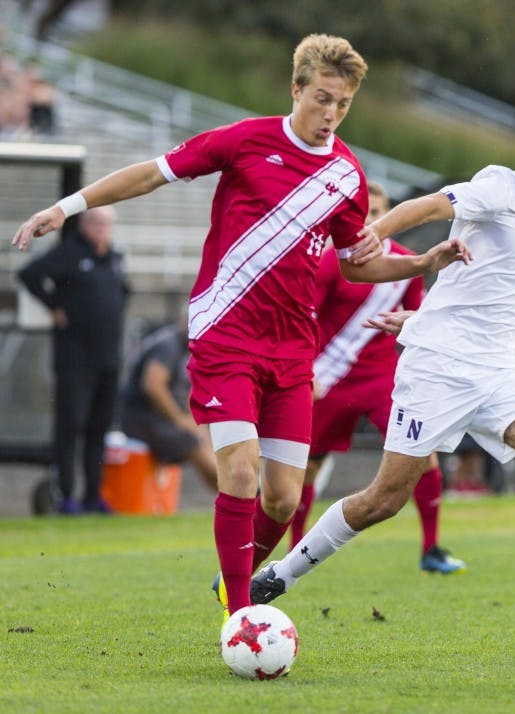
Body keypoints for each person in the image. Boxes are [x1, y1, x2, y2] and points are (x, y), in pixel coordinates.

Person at [12, 33, 469, 618]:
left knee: (282, 498)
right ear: (296, 88)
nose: (331, 114)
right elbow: (152, 175)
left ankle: (236, 576)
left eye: (343, 104)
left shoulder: (348, 178)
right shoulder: (245, 140)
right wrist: (66, 207)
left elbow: (358, 264)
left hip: (292, 351)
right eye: (322, 98)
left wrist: (421, 262)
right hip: (225, 337)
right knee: (240, 470)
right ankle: (238, 616)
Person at [250, 107, 515, 641]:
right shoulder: (497, 188)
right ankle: (277, 576)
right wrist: (375, 231)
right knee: (383, 501)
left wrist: (422, 316)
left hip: (500, 371)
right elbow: (430, 205)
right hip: (438, 370)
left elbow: (490, 292)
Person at [289, 181, 465, 574]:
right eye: (366, 214)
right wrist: (304, 372)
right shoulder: (333, 261)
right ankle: (293, 549)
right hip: (330, 380)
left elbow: (419, 318)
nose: (372, 221)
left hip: (382, 379)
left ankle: (431, 548)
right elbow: (306, 318)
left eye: (379, 213)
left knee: (422, 455)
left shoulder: (408, 263)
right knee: (304, 468)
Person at [18, 206, 129, 514]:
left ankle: (93, 494)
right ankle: (66, 495)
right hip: (75, 360)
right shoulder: (69, 253)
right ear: (84, 225)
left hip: (108, 359)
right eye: (95, 223)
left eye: (106, 223)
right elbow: (29, 274)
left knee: (99, 428)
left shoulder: (114, 259)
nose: (100, 229)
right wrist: (54, 305)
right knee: (71, 427)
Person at [118, 319, 217, 490]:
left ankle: (232, 497)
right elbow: (153, 386)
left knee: (201, 436)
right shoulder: (168, 345)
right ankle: (239, 495)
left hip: (156, 417)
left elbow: (184, 392)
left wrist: (192, 421)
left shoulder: (185, 349)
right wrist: (179, 419)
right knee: (193, 442)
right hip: (141, 418)